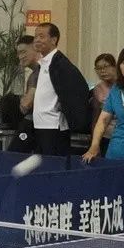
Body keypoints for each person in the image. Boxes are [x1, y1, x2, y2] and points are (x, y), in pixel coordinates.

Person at [31, 23, 90, 156]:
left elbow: (79, 89)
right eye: (36, 36)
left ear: (54, 40)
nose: (37, 40)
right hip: (40, 124)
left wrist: (66, 109)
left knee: (54, 164)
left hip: (54, 126)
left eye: (41, 36)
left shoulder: (61, 64)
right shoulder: (43, 64)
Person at [90, 53, 117, 155]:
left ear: (115, 67)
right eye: (98, 68)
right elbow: (95, 117)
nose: (102, 71)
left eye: (106, 67)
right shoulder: (97, 89)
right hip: (105, 135)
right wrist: (94, 142)